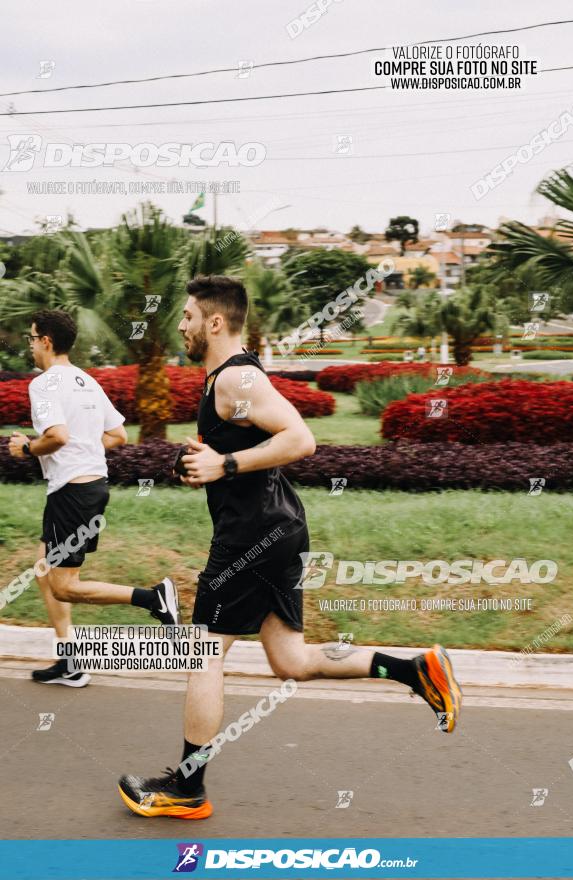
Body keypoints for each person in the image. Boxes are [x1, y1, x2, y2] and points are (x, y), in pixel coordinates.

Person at [118, 275, 462, 819]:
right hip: (276, 528)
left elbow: (300, 439)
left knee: (203, 650)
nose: (179, 325)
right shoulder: (224, 382)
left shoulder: (236, 378)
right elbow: (256, 444)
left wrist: (225, 464)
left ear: (214, 322)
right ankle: (415, 670)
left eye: (186, 316)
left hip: (252, 536)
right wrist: (210, 463)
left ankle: (187, 789)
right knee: (291, 660)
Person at [8, 310, 181, 688]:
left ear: (46, 341)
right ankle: (69, 658)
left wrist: (26, 448)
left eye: (32, 338)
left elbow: (56, 436)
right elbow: (118, 435)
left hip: (72, 493)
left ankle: (153, 598)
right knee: (43, 569)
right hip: (87, 488)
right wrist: (83, 451)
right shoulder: (85, 380)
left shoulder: (45, 384)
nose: (31, 345)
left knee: (65, 585)